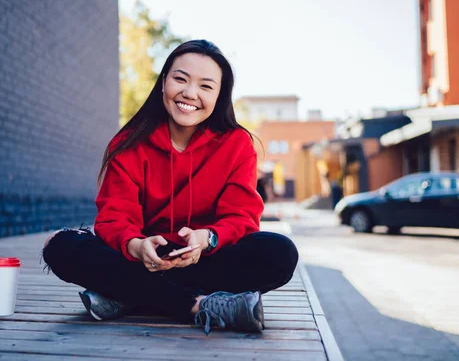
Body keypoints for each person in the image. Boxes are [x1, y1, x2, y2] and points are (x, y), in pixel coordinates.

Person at [42, 39, 299, 335]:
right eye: (180, 79)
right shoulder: (128, 143)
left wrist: (208, 238)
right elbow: (114, 217)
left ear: (219, 95)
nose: (190, 93)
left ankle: (128, 296)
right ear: (164, 82)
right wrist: (136, 246)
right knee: (60, 244)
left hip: (204, 258)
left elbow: (241, 217)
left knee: (279, 253)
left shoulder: (237, 144)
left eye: (206, 86)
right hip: (141, 258)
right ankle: (196, 306)